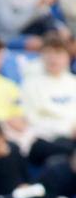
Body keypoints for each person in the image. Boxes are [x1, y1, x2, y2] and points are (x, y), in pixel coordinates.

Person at [22, 32, 76, 165]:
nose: (53, 58)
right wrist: (68, 129)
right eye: (48, 53)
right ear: (41, 56)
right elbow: (31, 121)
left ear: (67, 57)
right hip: (44, 140)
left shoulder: (73, 83)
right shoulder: (30, 84)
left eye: (58, 53)